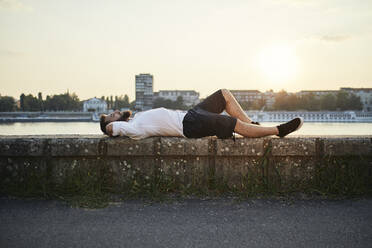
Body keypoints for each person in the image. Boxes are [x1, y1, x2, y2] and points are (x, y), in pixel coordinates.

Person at [100, 89, 303, 139]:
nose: (116, 112)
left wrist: (111, 121)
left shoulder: (136, 119)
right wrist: (108, 125)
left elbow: (112, 124)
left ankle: (253, 125)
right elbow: (110, 129)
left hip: (191, 114)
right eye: (112, 114)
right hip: (189, 126)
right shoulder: (131, 128)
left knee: (223, 95)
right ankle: (278, 131)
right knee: (228, 122)